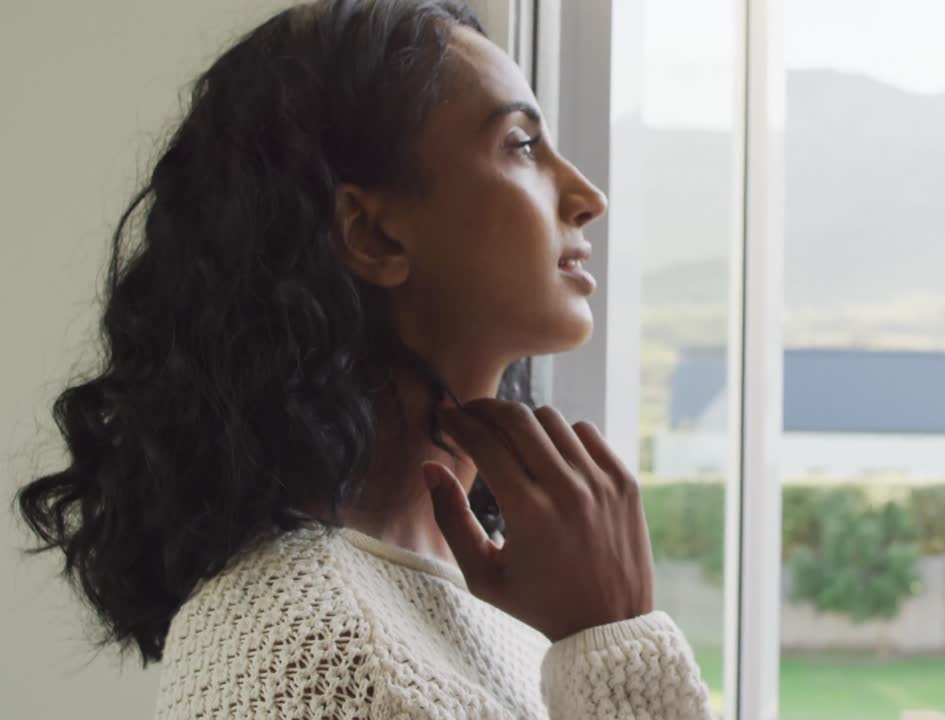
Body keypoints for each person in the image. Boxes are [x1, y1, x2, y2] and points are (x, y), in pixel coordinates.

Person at [15, 1, 716, 717]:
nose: (587, 196)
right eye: (521, 145)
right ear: (372, 234)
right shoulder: (297, 649)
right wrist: (617, 647)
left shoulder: (509, 610)